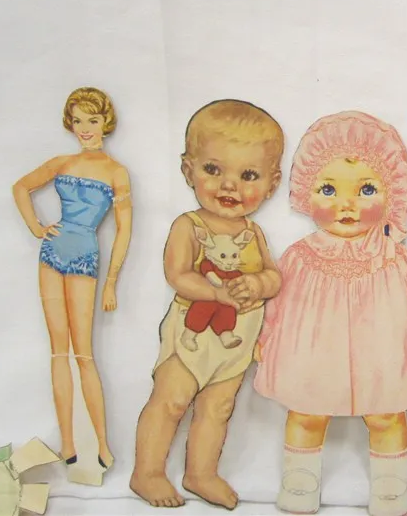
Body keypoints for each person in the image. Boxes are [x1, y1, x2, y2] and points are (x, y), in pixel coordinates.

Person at [254, 111, 407, 516]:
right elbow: (275, 301)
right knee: (306, 413)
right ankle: (299, 480)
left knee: (386, 416)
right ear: (305, 193)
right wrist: (264, 337)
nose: (346, 204)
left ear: (392, 195)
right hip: (312, 355)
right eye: (328, 189)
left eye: (366, 189)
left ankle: (390, 486)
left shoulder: (394, 257)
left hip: (381, 353)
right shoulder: (299, 256)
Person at [129, 99, 283, 509]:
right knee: (172, 399)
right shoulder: (189, 225)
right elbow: (177, 274)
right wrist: (216, 292)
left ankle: (201, 473)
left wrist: (258, 283)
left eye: (247, 175)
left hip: (236, 339)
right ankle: (147, 472)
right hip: (192, 334)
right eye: (213, 170)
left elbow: (274, 276)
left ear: (272, 184)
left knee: (219, 407)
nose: (229, 186)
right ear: (188, 171)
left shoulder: (254, 233)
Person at [13, 86, 131, 477]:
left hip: (85, 256)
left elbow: (124, 230)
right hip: (52, 253)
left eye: (92, 120)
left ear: (105, 123)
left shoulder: (116, 172)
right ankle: (67, 442)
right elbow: (20, 187)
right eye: (78, 120)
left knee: (84, 353)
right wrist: (36, 227)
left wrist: (111, 282)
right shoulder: (61, 162)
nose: (85, 128)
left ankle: (102, 443)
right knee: (57, 352)